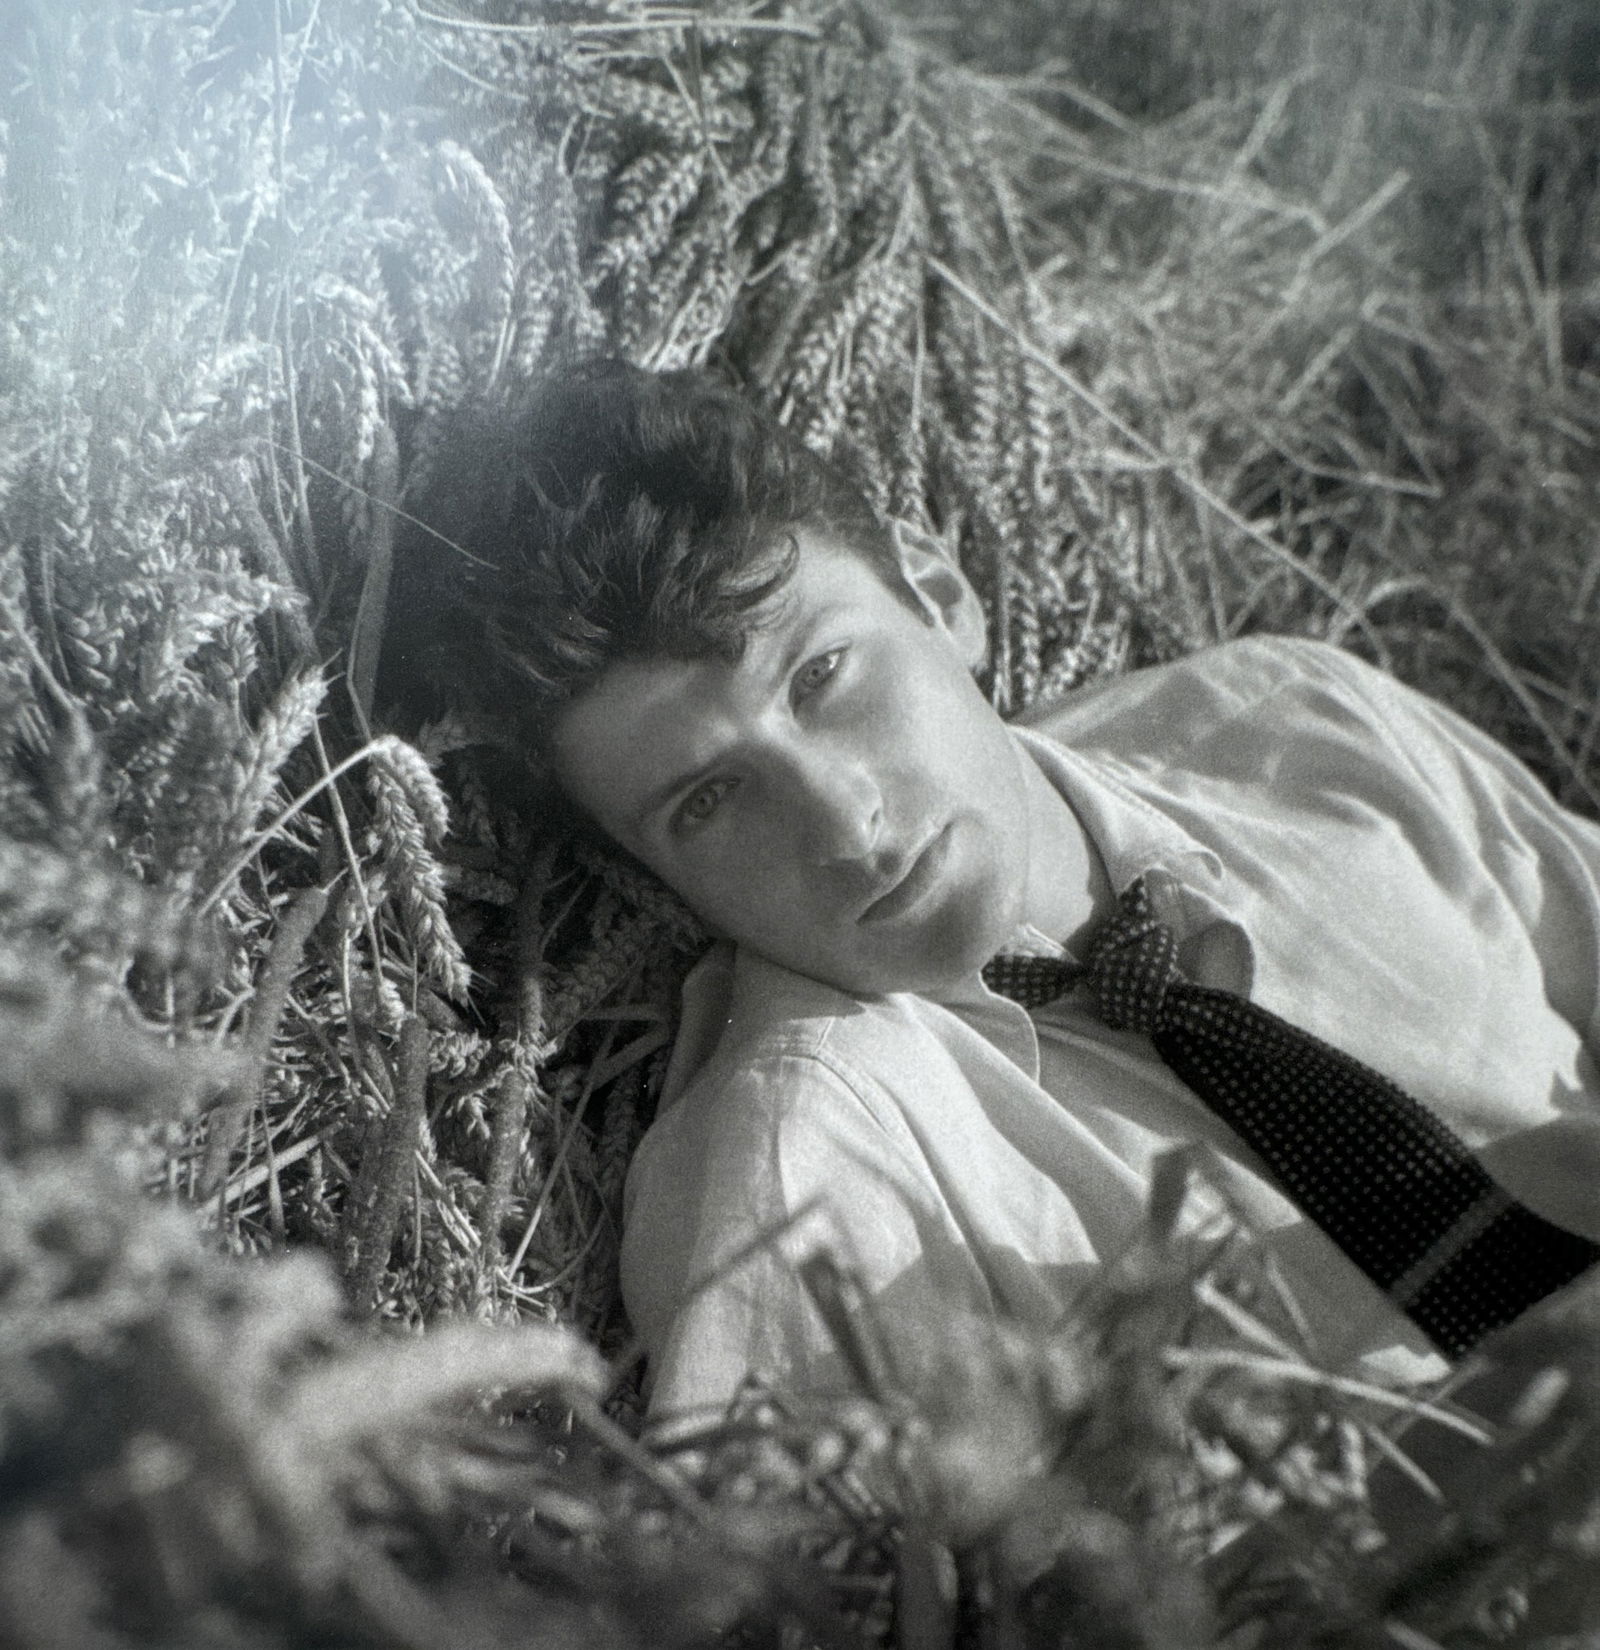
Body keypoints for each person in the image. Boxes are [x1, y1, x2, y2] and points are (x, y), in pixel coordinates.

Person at [412, 360, 1600, 1419]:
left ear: (940, 597)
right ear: (655, 878)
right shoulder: (808, 1173)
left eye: (821, 676)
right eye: (707, 803)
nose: (841, 821)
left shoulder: (1297, 724)